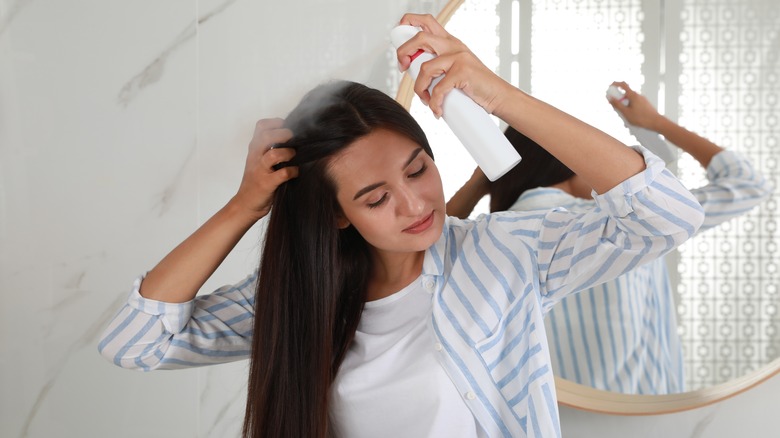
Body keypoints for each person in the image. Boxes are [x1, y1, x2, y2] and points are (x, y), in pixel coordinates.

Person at [98, 14, 705, 438]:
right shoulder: (301, 296)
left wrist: (496, 94)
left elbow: (668, 215)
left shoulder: (501, 254)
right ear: (337, 213)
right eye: (375, 197)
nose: (415, 204)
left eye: (418, 169)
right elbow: (135, 342)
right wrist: (246, 204)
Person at [447, 81, 772, 395]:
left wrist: (483, 177)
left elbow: (429, 253)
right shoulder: (636, 217)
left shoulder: (493, 236)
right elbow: (747, 185)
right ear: (570, 159)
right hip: (652, 420)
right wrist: (654, 122)